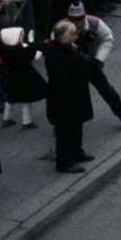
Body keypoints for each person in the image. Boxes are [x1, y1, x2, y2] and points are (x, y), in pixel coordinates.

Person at [65, 2, 121, 130]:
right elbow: (57, 48)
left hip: (92, 64)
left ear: (83, 17)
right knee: (69, 96)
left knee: (109, 92)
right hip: (72, 68)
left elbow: (108, 38)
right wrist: (75, 45)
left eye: (78, 20)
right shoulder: (62, 27)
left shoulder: (95, 23)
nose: (76, 24)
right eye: (73, 20)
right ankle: (62, 124)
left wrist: (98, 59)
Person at [43, 20, 94, 173]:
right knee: (65, 131)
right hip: (64, 100)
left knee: (76, 126)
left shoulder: (65, 47)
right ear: (65, 36)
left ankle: (76, 152)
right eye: (74, 33)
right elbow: (68, 72)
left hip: (74, 96)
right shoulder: (57, 54)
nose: (77, 35)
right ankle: (64, 162)